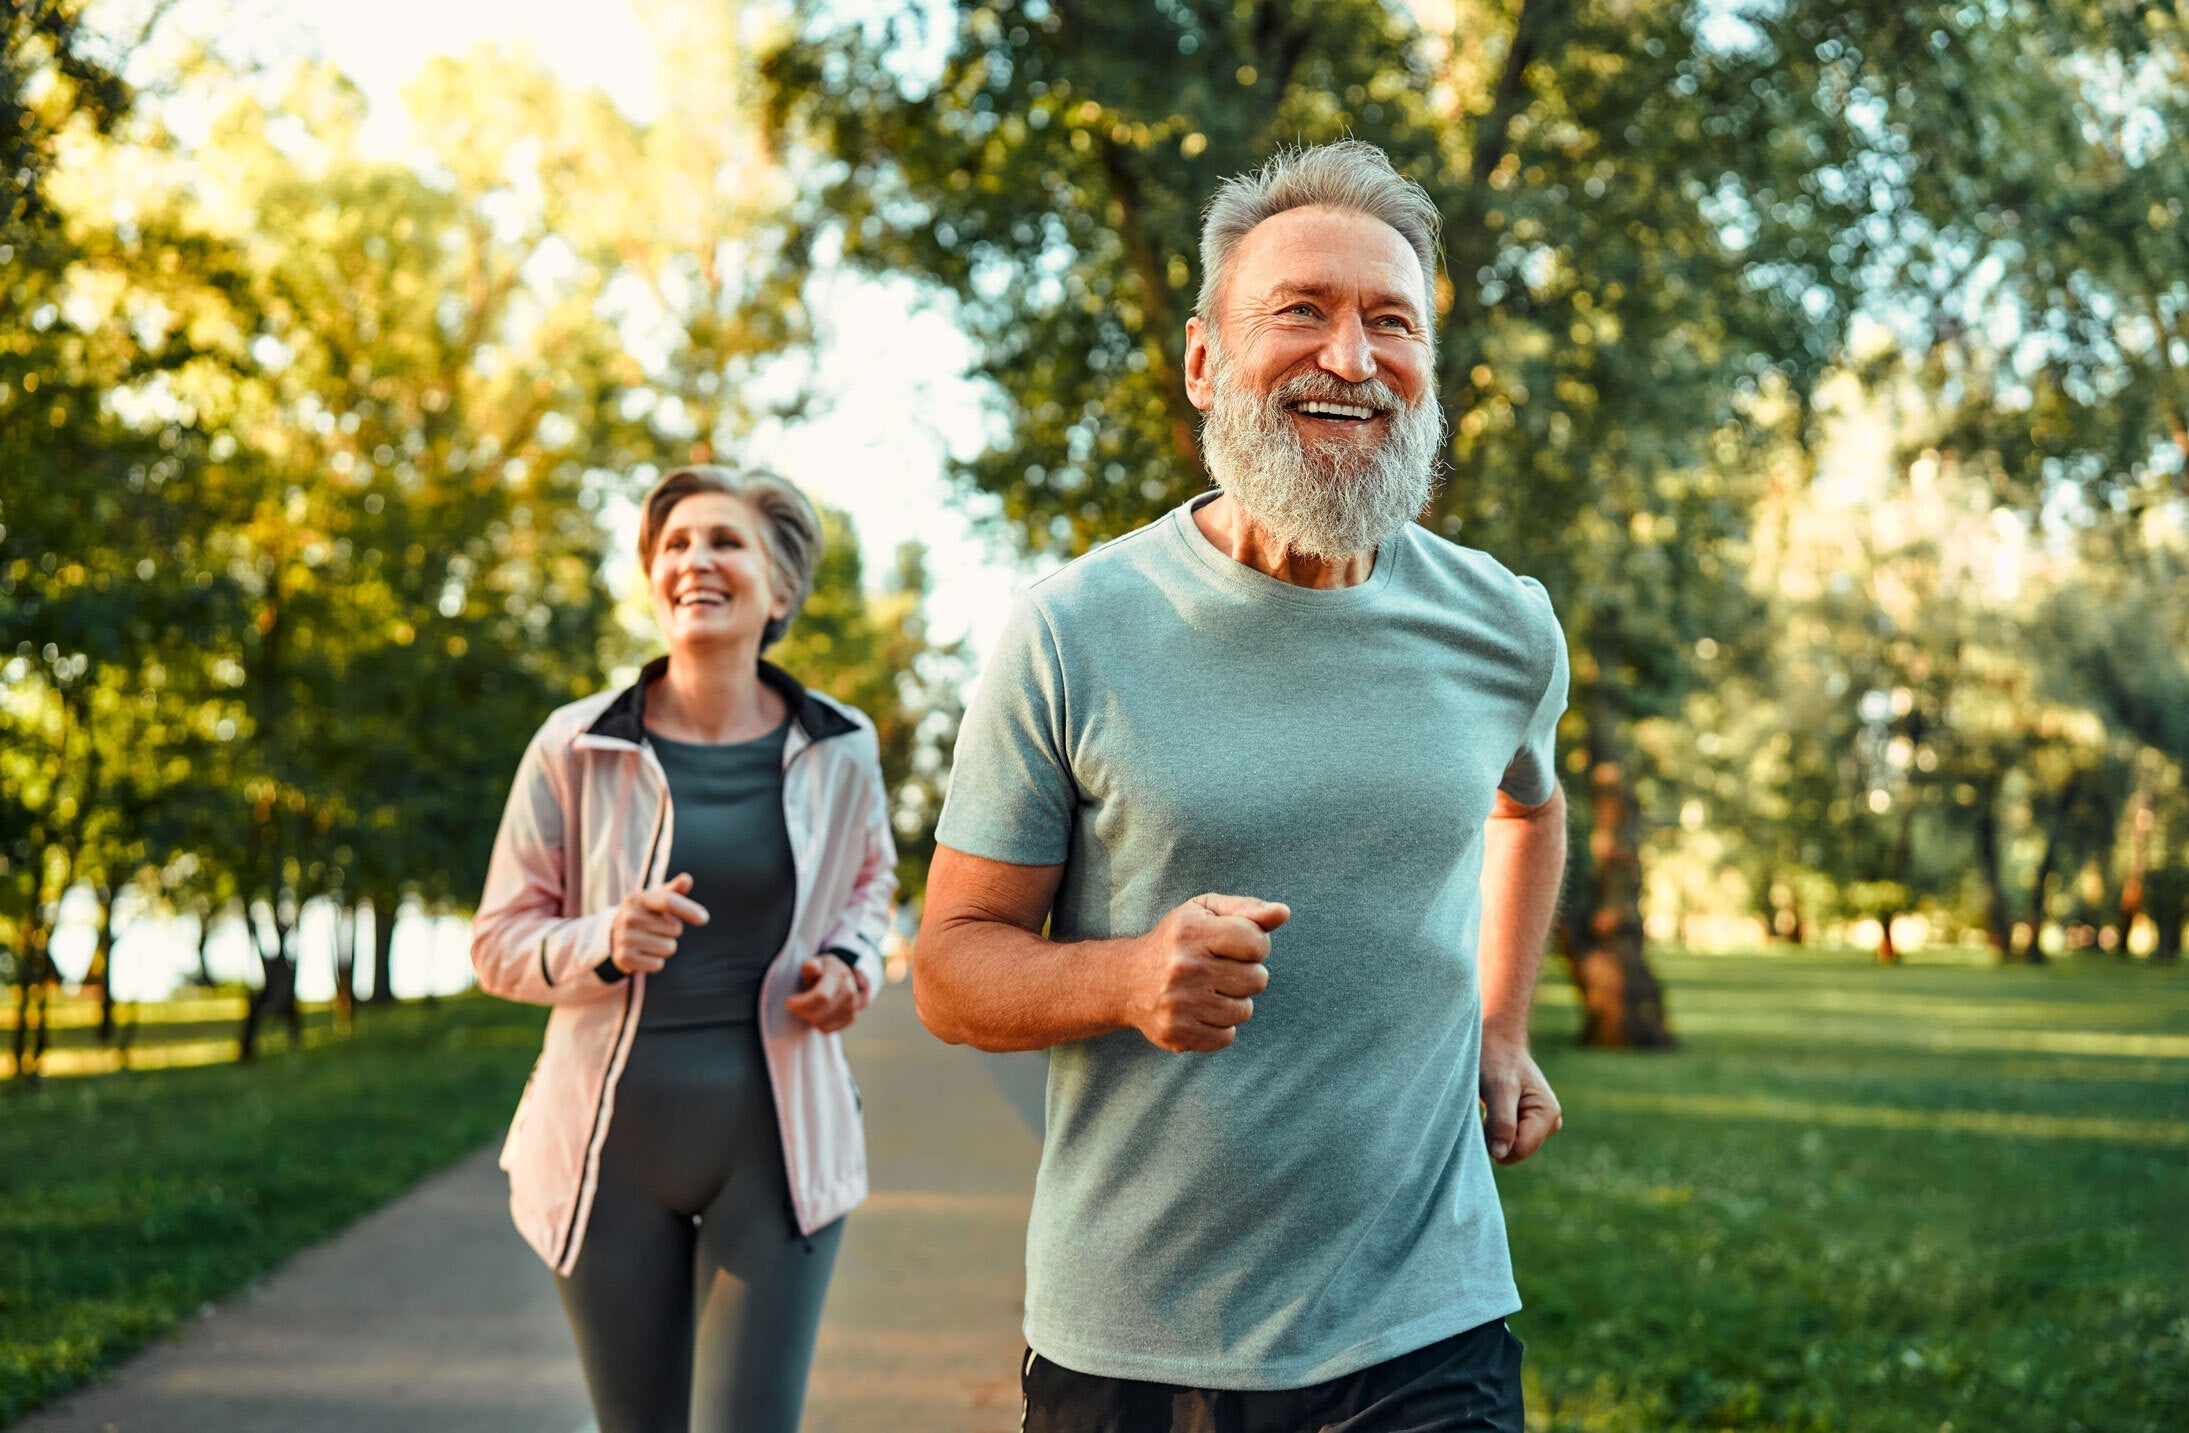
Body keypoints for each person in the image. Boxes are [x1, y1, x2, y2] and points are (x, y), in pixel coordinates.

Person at [916, 141, 1570, 1432]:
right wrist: (1122, 975)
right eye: (1302, 311)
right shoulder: (1071, 629)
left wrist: (1502, 1028)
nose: (1351, 356)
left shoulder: (1505, 627)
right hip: (1142, 1344)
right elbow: (948, 967)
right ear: (1204, 361)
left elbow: (1528, 806)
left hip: (1428, 1318)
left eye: (1393, 321)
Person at [471, 466, 896, 1433]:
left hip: (778, 1149)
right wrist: (603, 939)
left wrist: (851, 966)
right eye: (674, 545)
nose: (694, 559)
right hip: (605, 1153)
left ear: (780, 589)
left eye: (724, 541)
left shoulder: (841, 746)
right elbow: (497, 943)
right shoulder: (571, 746)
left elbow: (873, 889)